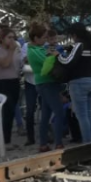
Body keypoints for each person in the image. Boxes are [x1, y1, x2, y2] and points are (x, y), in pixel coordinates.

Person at [26, 22, 66, 152]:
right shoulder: (33, 51)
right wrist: (54, 55)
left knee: (45, 115)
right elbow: (47, 62)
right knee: (59, 112)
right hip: (45, 83)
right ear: (36, 38)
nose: (45, 41)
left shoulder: (41, 49)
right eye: (43, 38)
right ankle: (58, 142)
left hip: (48, 83)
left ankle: (43, 143)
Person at [58, 23, 91, 143]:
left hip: (79, 82)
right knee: (87, 113)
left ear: (74, 34)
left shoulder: (79, 45)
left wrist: (58, 56)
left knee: (81, 115)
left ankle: (87, 143)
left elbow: (68, 62)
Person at [0, 27, 23, 146]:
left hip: (14, 81)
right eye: (9, 37)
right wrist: (11, 51)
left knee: (12, 110)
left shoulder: (16, 49)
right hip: (2, 83)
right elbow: (5, 64)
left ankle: (7, 139)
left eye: (13, 37)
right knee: (6, 109)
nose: (12, 40)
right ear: (2, 39)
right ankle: (4, 141)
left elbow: (20, 63)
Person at [21, 38, 39, 146]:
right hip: (30, 81)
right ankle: (30, 137)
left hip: (42, 80)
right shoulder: (26, 46)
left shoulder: (45, 45)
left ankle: (48, 134)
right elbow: (24, 60)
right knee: (30, 110)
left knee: (46, 110)